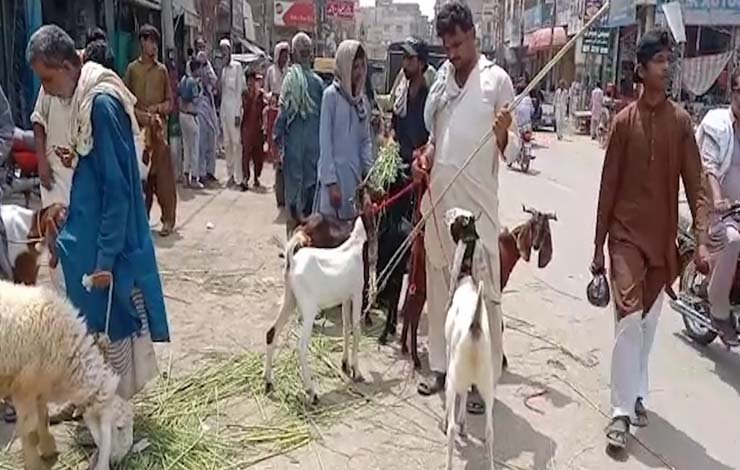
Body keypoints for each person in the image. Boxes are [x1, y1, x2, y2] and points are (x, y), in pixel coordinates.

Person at [26, 25, 170, 403]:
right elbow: (94, 179)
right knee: (96, 338)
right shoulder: (82, 99)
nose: (47, 88)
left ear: (68, 64)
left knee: (114, 335)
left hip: (107, 253)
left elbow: (118, 191)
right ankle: (99, 416)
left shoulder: (101, 105)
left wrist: (104, 259)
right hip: (87, 240)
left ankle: (118, 435)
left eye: (47, 78)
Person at [590, 29, 710, 451]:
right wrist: (597, 249)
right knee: (628, 315)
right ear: (641, 71)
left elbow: (697, 185)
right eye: (659, 60)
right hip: (624, 237)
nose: (667, 66)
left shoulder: (680, 123)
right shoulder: (623, 123)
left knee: (646, 322)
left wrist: (701, 240)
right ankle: (620, 411)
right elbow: (607, 188)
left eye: (668, 60)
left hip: (661, 242)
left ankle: (636, 390)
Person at [413, 1, 518, 414]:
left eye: (458, 44)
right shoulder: (440, 84)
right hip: (440, 203)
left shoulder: (497, 82)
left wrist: (506, 134)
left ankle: (481, 383)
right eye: (447, 46)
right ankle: (441, 367)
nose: (453, 52)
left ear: (474, 35)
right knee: (439, 287)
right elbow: (438, 141)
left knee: (484, 297)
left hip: (478, 208)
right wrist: (426, 158)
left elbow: (515, 150)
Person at [695, 69, 740, 346]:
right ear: (732, 93)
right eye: (739, 92)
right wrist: (718, 198)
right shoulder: (717, 123)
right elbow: (709, 167)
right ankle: (719, 308)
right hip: (717, 212)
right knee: (734, 240)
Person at [124, 24, 176, 236]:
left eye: (156, 42)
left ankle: (168, 220)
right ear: (142, 43)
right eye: (150, 41)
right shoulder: (131, 70)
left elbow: (170, 102)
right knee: (141, 181)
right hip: (138, 134)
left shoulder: (162, 71)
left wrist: (157, 109)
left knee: (163, 179)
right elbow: (125, 101)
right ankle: (141, 221)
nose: (153, 46)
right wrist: (140, 115)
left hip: (157, 133)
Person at [315, 40, 373, 220]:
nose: (359, 73)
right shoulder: (330, 97)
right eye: (354, 67)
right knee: (329, 234)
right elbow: (325, 143)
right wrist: (331, 183)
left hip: (354, 181)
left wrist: (370, 175)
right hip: (333, 181)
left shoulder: (362, 102)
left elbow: (365, 142)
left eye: (362, 67)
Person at [275, 32, 325, 236]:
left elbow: (283, 116)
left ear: (294, 54)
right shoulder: (319, 84)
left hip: (294, 154)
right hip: (314, 154)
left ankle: (293, 247)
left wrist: (276, 142)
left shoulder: (290, 81)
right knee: (310, 205)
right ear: (310, 54)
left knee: (293, 205)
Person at [219, 39, 247, 189]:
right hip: (225, 110)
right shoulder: (223, 70)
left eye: (225, 50)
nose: (223, 53)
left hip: (234, 110)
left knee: (237, 143)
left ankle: (238, 177)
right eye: (221, 50)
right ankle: (229, 175)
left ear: (230, 51)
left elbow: (239, 92)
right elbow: (223, 92)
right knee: (227, 143)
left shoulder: (237, 67)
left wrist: (238, 113)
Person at [195, 50, 219, 186]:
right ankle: (201, 172)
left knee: (212, 138)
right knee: (202, 142)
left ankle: (210, 171)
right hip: (199, 107)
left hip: (209, 106)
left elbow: (215, 81)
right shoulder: (193, 77)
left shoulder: (208, 71)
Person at [179, 58, 203, 188]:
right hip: (191, 115)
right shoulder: (193, 82)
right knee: (194, 149)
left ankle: (185, 176)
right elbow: (195, 100)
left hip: (182, 115)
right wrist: (201, 90)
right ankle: (194, 178)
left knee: (187, 148)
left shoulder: (183, 80)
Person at [242, 69, 266, 189]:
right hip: (246, 128)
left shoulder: (260, 94)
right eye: (249, 80)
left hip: (258, 128)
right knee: (246, 154)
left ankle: (257, 176)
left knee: (258, 155)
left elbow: (264, 110)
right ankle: (245, 177)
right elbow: (243, 110)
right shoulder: (245, 94)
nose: (251, 83)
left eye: (253, 80)